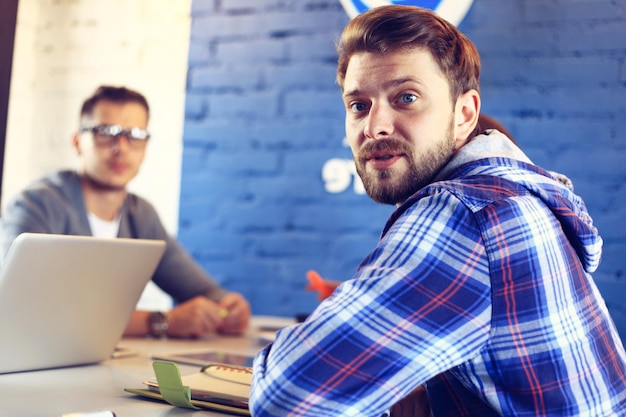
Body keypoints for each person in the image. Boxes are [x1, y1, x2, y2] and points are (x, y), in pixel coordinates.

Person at [249, 5, 626, 416]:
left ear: (464, 114)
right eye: (358, 105)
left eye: (406, 98)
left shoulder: (466, 213)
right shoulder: (509, 197)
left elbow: (287, 397)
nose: (375, 126)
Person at [0, 85, 251, 338]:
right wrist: (161, 322)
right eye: (106, 132)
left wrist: (230, 306)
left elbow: (202, 291)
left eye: (135, 134)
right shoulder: (36, 205)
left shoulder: (140, 214)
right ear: (77, 142)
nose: (121, 147)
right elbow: (25, 308)